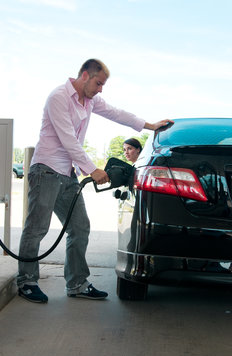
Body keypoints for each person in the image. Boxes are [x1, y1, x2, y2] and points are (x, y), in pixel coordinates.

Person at [17, 58, 174, 303]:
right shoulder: (58, 97)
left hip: (67, 174)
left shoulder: (90, 100)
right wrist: (92, 169)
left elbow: (116, 113)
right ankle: (26, 281)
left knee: (80, 227)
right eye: (98, 83)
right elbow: (68, 139)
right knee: (36, 228)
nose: (100, 89)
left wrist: (149, 125)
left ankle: (77, 283)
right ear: (84, 76)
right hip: (45, 170)